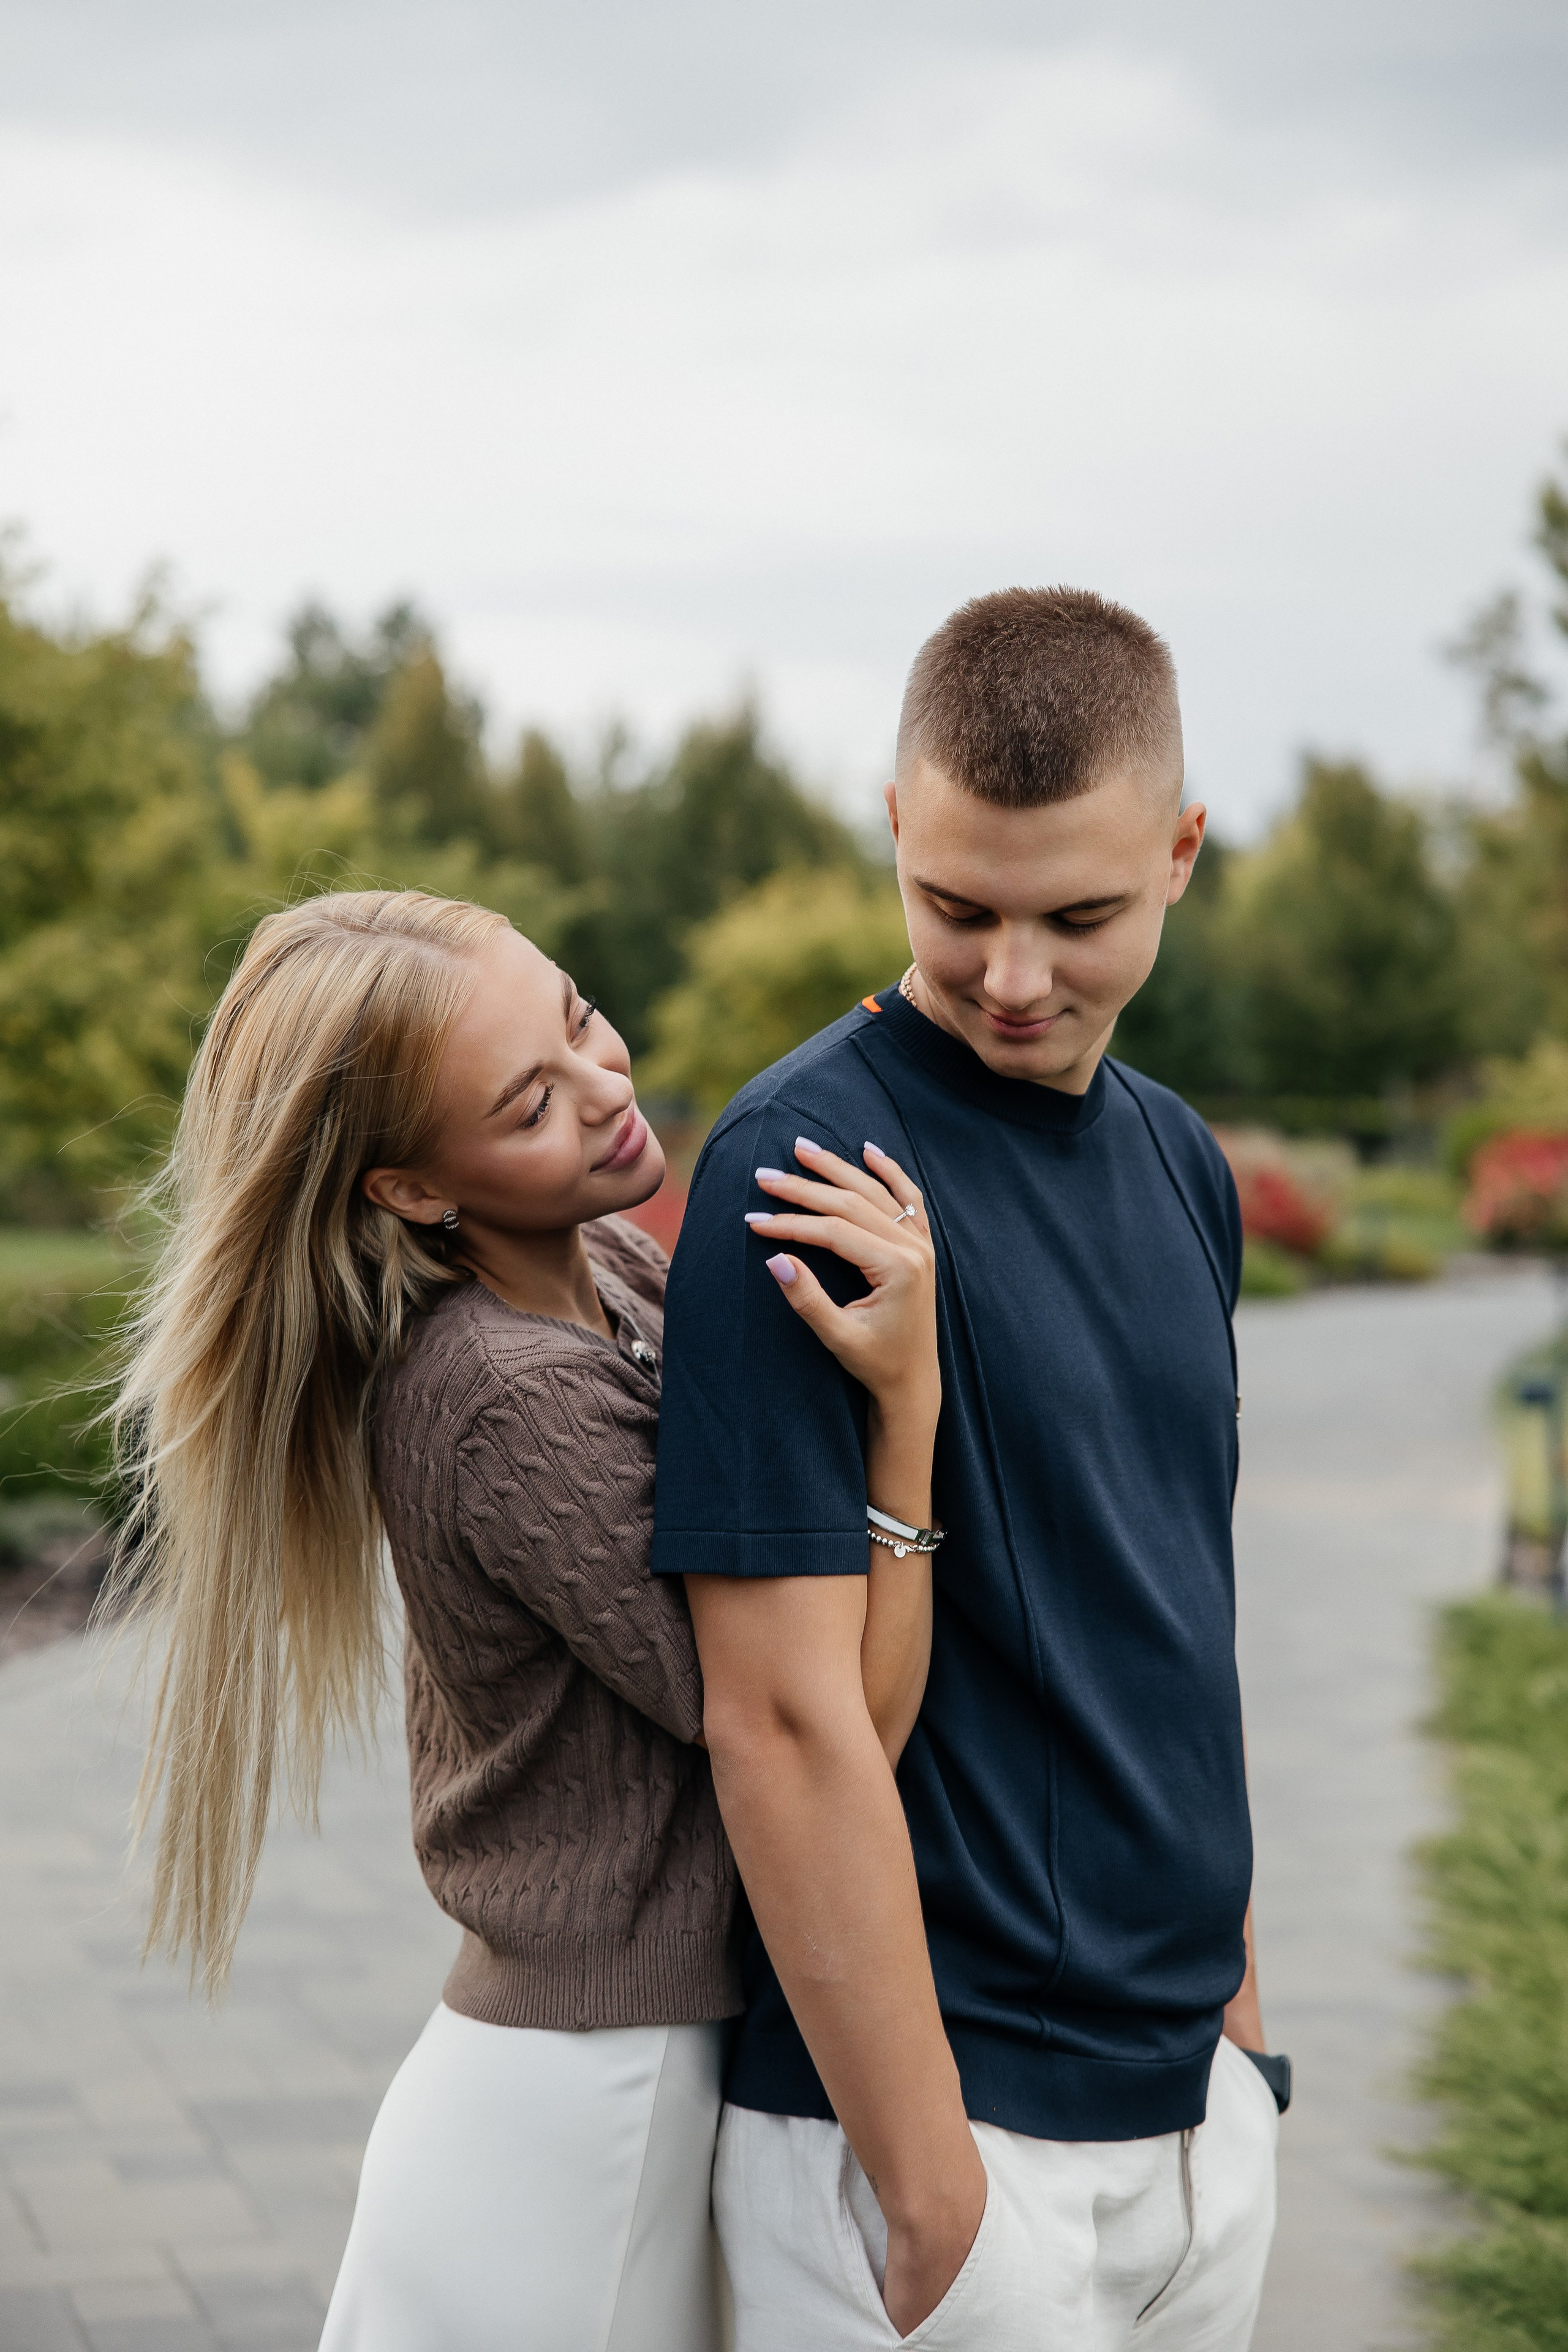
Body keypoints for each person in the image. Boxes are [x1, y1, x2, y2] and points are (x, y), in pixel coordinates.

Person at [107, 887, 943, 2352]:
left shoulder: (606, 1275)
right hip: (588, 2104)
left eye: (578, 1021)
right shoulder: (507, 1395)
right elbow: (832, 1731)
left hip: (614, 2069)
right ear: (412, 1191)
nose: (607, 1092)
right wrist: (907, 1418)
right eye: (528, 1106)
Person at [652, 587, 1283, 2349]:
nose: (1013, 977)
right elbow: (778, 1721)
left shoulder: (1179, 1165)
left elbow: (1176, 1609)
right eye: (957, 908)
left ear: (1180, 852)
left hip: (1193, 2124)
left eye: (1077, 915)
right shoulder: (804, 1168)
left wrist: (1238, 2025)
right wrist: (933, 2192)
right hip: (947, 2148)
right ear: (895, 832)